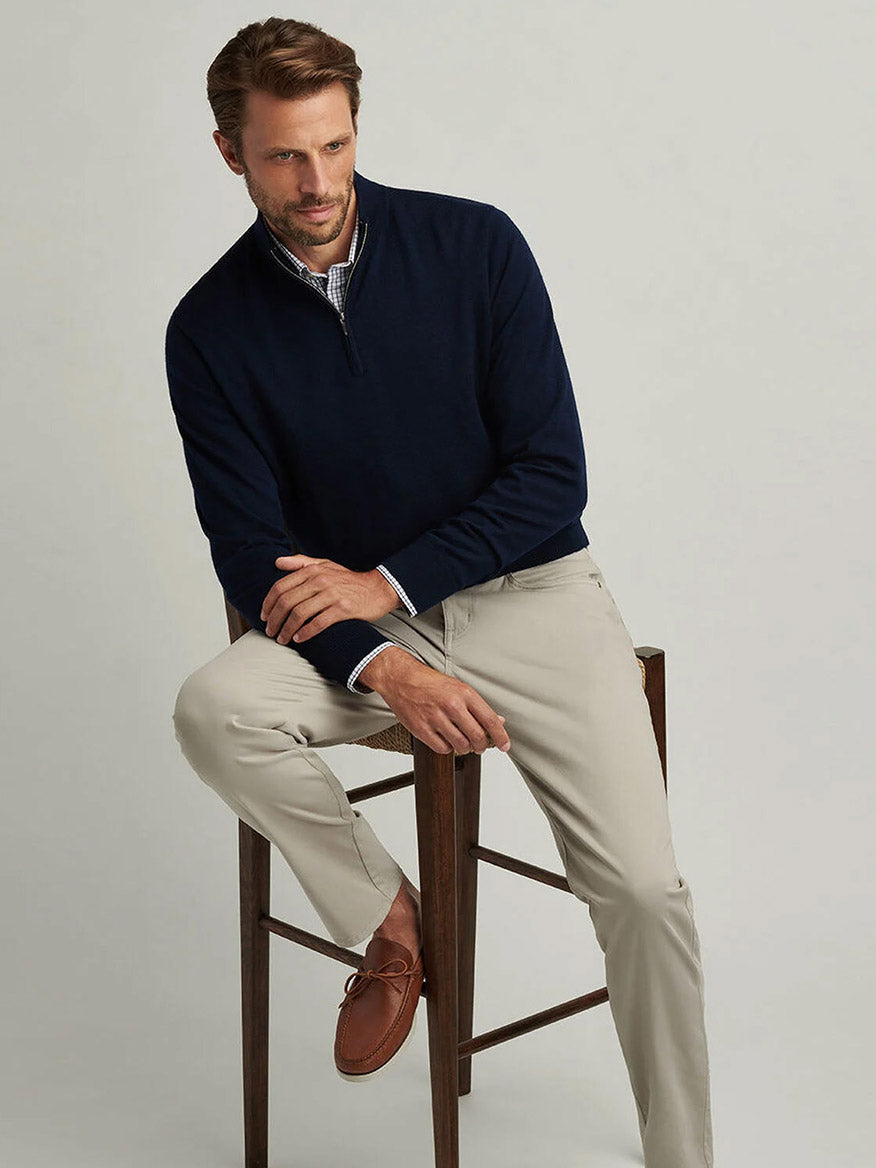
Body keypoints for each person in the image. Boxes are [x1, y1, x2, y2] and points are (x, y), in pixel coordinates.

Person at [166, 17, 714, 1168]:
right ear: (230, 153)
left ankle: (685, 1154)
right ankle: (394, 925)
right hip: (348, 630)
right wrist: (387, 654)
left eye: (334, 146)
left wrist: (385, 577)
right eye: (282, 157)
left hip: (532, 594)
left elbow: (551, 476)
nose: (317, 183)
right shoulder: (208, 328)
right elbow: (249, 549)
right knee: (213, 708)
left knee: (647, 893)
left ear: (356, 127)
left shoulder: (476, 248)